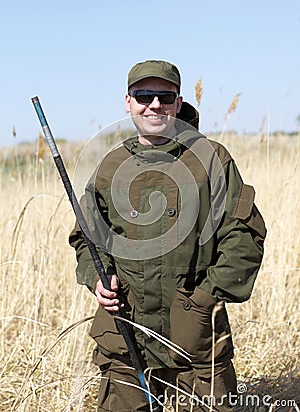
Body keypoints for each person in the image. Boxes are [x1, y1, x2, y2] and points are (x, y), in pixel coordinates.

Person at [69, 60, 267, 412]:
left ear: (178, 103)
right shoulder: (110, 167)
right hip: (125, 337)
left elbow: (245, 234)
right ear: (128, 102)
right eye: (144, 95)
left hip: (196, 339)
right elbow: (87, 239)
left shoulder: (211, 160)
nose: (154, 104)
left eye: (165, 96)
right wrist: (97, 280)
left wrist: (204, 299)